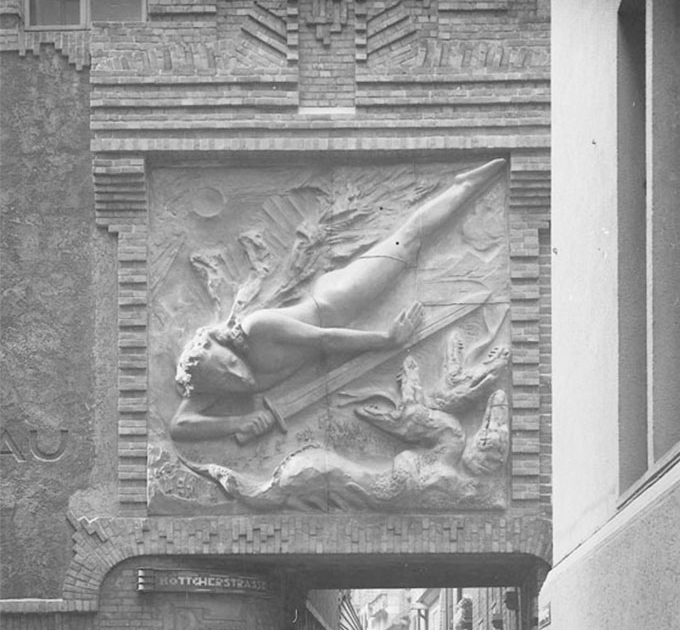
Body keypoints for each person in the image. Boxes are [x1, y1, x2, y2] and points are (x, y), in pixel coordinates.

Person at [170, 158, 506, 442]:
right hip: (332, 330)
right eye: (225, 379)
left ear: (228, 347)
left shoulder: (257, 328)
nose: (237, 377)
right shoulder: (214, 381)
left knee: (407, 241)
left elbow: (325, 338)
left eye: (230, 364)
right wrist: (237, 423)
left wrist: (387, 340)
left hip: (338, 301)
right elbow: (179, 426)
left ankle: (465, 184)